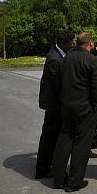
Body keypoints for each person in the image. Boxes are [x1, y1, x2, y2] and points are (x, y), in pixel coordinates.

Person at [51, 32, 97, 192]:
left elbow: (58, 83)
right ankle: (74, 181)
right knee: (82, 144)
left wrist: (63, 100)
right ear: (89, 44)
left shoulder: (65, 58)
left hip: (67, 106)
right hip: (85, 108)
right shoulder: (92, 60)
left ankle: (58, 179)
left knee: (64, 140)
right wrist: (95, 105)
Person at [35, 32, 73, 179]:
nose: (71, 45)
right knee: (49, 136)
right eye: (70, 43)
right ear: (63, 43)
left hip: (55, 102)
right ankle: (43, 168)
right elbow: (59, 83)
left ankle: (47, 164)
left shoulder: (60, 54)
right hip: (53, 104)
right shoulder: (54, 59)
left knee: (53, 135)